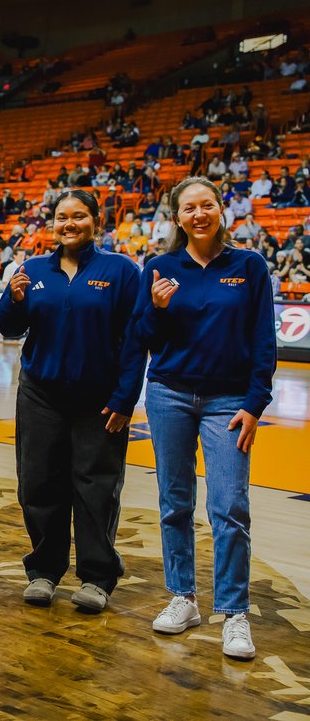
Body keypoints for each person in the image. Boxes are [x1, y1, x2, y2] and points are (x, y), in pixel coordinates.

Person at [133, 176, 277, 661]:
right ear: (177, 217)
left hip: (229, 401)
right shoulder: (159, 267)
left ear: (221, 210)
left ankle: (234, 612)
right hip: (169, 395)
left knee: (230, 507)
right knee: (175, 501)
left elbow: (264, 342)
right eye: (189, 208)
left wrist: (255, 404)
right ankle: (184, 597)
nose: (199, 214)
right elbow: (143, 336)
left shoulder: (249, 266)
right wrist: (155, 309)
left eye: (207, 205)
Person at [0, 190, 145, 612]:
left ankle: (97, 577)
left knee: (96, 488)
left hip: (99, 401)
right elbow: (7, 328)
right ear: (52, 223)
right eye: (62, 217)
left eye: (79, 216)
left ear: (96, 221)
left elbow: (136, 341)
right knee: (39, 484)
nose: (70, 224)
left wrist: (126, 397)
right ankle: (44, 571)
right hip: (41, 396)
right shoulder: (34, 269)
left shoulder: (121, 271)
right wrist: (14, 297)